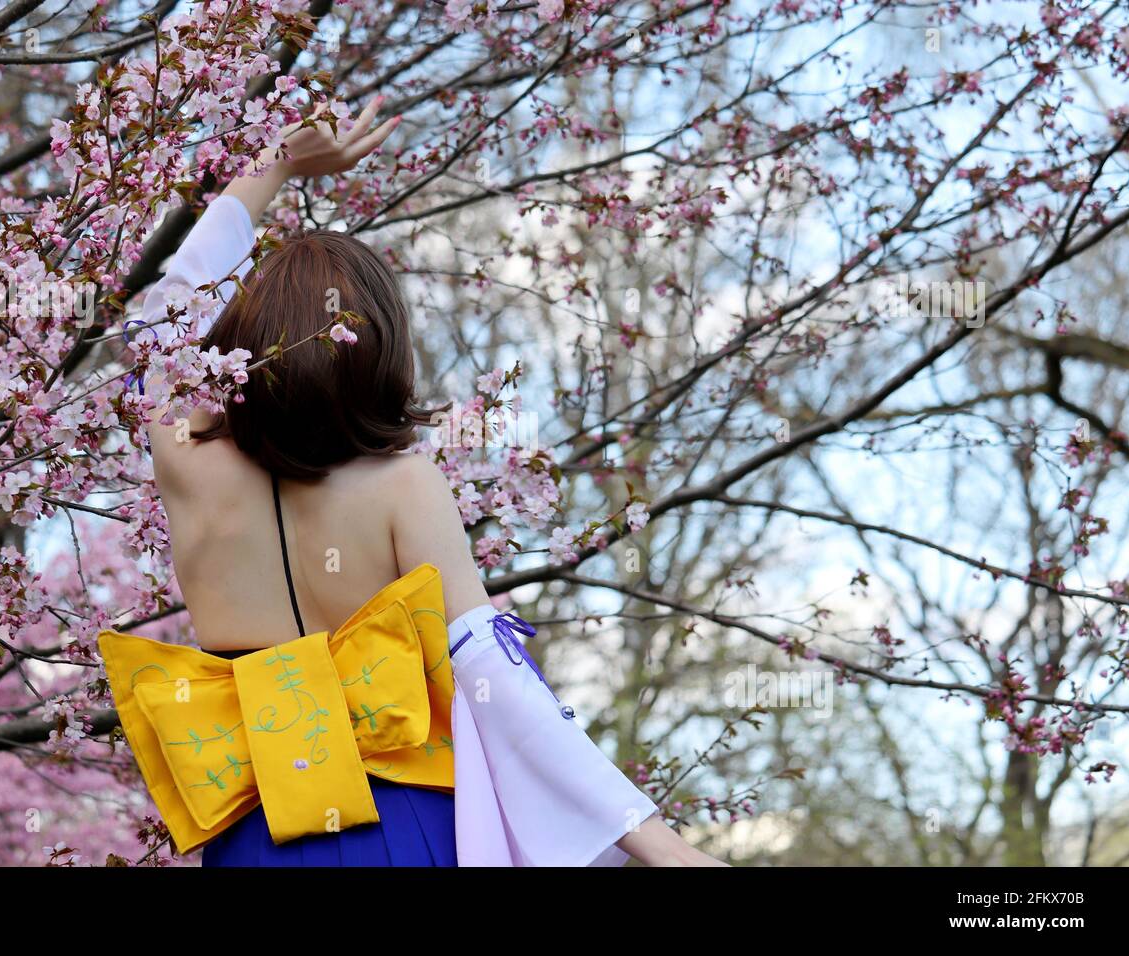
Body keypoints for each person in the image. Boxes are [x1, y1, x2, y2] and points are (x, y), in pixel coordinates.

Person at [100, 96, 726, 867]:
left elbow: (171, 301)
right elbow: (495, 681)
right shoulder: (403, 486)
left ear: (241, 339)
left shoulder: (182, 453)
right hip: (406, 825)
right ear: (380, 349)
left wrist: (280, 164)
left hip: (255, 835)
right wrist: (663, 849)